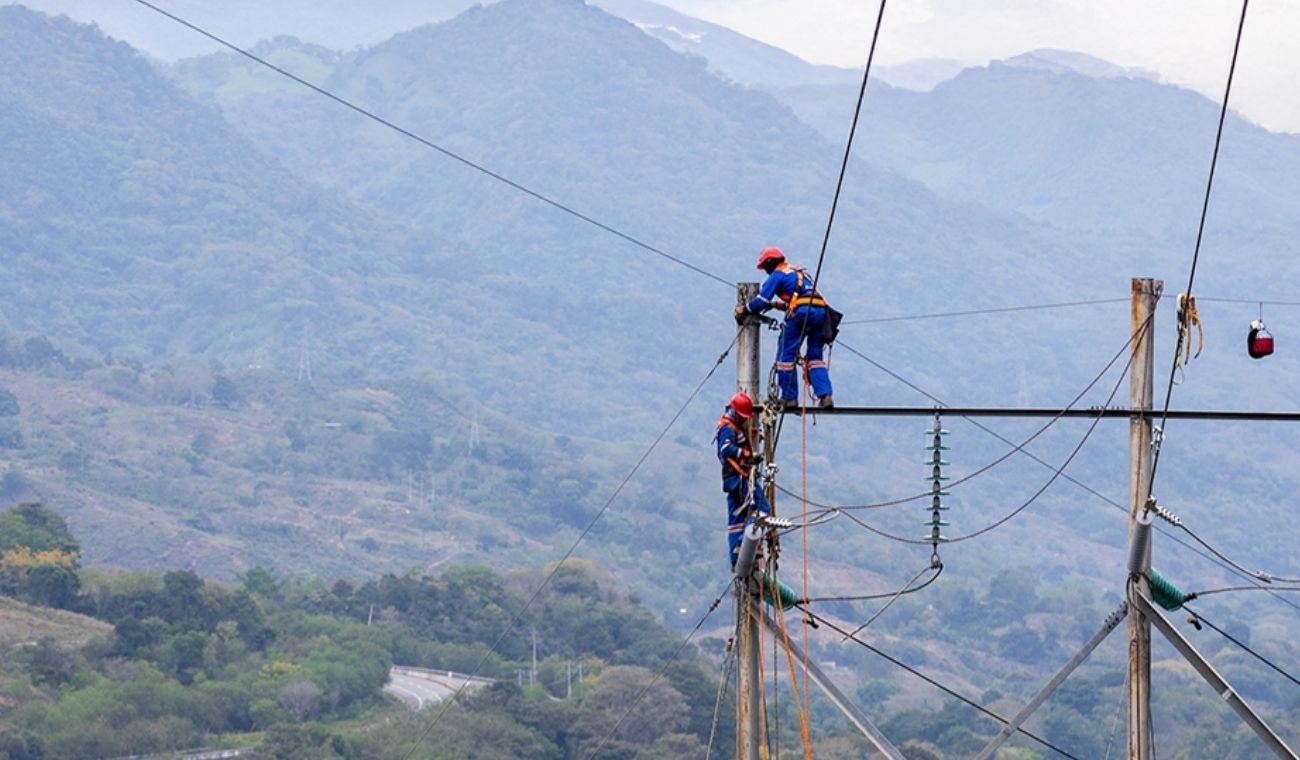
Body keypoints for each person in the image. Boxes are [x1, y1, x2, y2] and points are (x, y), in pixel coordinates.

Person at [736, 247, 833, 408]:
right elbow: (801, 298)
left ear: (769, 262)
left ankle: (789, 398)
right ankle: (825, 396)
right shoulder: (800, 273)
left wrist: (743, 309)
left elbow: (761, 301)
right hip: (821, 314)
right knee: (815, 358)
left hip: (801, 314)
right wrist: (777, 305)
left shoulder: (777, 275)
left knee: (786, 357)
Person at [715, 391, 770, 567]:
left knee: (735, 520)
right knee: (762, 508)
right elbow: (726, 449)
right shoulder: (727, 428)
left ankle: (736, 557)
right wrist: (748, 455)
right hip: (740, 478)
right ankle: (746, 543)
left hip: (733, 479)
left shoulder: (732, 427)